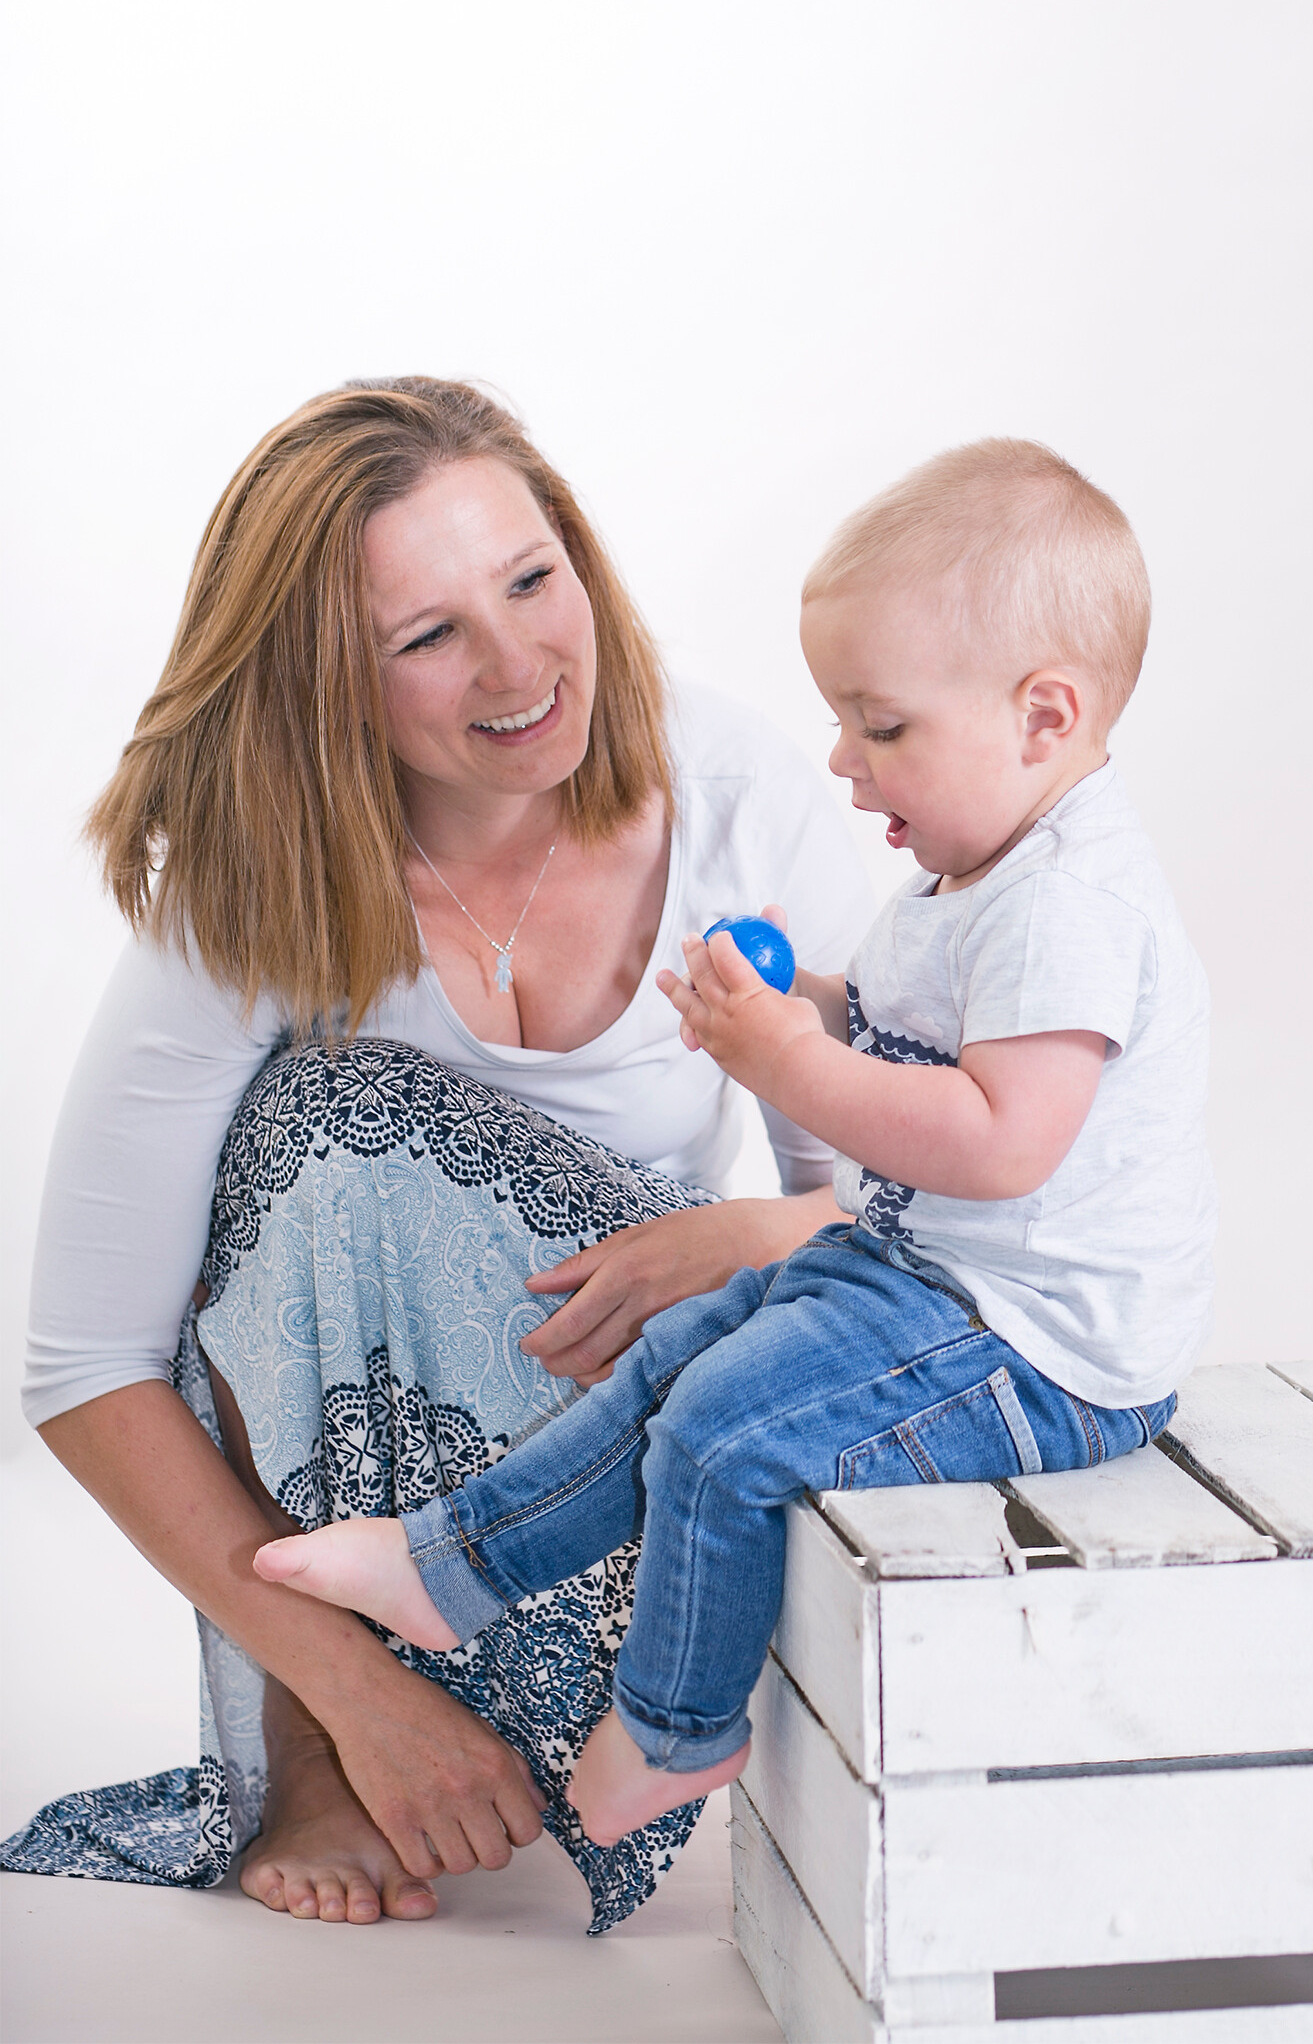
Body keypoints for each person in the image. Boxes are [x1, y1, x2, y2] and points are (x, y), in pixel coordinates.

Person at [251, 437, 1217, 1848]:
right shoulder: (976, 870)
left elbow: (1001, 1141)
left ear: (1042, 716)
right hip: (937, 1286)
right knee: (678, 1356)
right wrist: (800, 1004)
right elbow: (905, 1035)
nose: (841, 762)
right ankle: (446, 1570)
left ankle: (674, 1731)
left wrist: (792, 1064)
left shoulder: (1066, 906)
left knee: (724, 1433)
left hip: (1043, 1349)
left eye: (881, 728)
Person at [2, 377, 871, 1932]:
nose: (520, 665)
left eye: (532, 581)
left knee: (829, 1285)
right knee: (323, 1122)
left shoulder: (735, 796)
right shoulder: (258, 885)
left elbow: (927, 1204)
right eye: (427, 636)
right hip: (363, 1543)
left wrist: (737, 1235)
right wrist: (356, 1697)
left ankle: (651, 1708)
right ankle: (322, 1748)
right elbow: (86, 1363)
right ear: (326, 684)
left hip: (653, 1448)